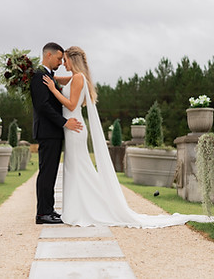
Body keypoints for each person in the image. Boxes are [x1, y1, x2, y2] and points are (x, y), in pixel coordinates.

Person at [43, 46, 214, 228]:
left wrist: (53, 90)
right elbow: (57, 78)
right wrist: (42, 75)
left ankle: (87, 209)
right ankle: (78, 208)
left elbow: (71, 105)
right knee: (74, 168)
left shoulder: (78, 78)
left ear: (73, 60)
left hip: (74, 127)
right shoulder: (75, 77)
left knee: (79, 168)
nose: (63, 63)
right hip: (71, 129)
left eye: (66, 59)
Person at [31, 42, 82, 225]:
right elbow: (42, 106)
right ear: (49, 55)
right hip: (47, 132)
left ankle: (48, 209)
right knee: (46, 173)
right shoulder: (39, 76)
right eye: (59, 58)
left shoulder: (48, 76)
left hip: (53, 132)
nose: (61, 62)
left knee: (50, 173)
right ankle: (42, 213)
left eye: (63, 59)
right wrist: (64, 122)